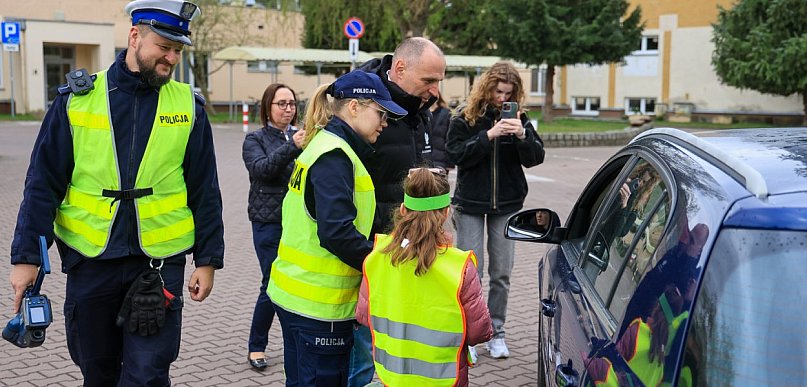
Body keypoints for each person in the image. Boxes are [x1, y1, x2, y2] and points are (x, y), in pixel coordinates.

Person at [7, 0, 224, 385]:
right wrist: (27, 257)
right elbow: (42, 183)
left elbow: (204, 188)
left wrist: (207, 260)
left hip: (158, 264)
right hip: (91, 261)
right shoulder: (77, 99)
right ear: (135, 36)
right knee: (98, 371)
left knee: (148, 375)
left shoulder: (189, 107)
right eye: (164, 46)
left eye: (178, 50)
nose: (172, 58)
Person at [265, 70, 407, 387]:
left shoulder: (325, 146)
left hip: (298, 297)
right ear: (354, 107)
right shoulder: (335, 157)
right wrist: (383, 263)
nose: (385, 123)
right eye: (381, 113)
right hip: (320, 308)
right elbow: (337, 233)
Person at [353, 36, 446, 386]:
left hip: (403, 246)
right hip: (367, 250)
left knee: (390, 347)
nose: (436, 90)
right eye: (429, 80)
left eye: (439, 80)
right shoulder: (361, 105)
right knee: (362, 352)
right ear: (401, 69)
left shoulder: (419, 111)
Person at [355, 168, 492, 387]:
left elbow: (363, 316)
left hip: (393, 374)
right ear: (446, 213)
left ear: (402, 209)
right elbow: (479, 332)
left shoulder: (377, 256)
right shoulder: (459, 267)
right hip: (443, 377)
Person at [446, 61, 545, 359]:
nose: (502, 98)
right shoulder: (465, 116)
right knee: (472, 274)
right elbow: (455, 155)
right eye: (498, 91)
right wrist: (488, 135)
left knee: (502, 273)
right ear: (486, 88)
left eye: (508, 93)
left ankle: (496, 332)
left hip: (507, 204)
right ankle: (468, 338)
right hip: (471, 204)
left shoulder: (521, 119)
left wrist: (521, 136)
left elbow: (535, 158)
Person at [242, 83, 306, 370]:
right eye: (281, 104)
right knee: (271, 284)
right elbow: (263, 170)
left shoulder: (301, 136)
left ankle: (296, 343)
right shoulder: (254, 140)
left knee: (295, 284)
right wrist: (292, 147)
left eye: (292, 103)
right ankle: (257, 346)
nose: (288, 109)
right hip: (268, 223)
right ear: (268, 107)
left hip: (297, 223)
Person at [425, 94, 454, 170]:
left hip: (441, 161)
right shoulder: (421, 113)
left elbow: (450, 139)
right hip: (424, 161)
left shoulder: (446, 113)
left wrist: (450, 163)